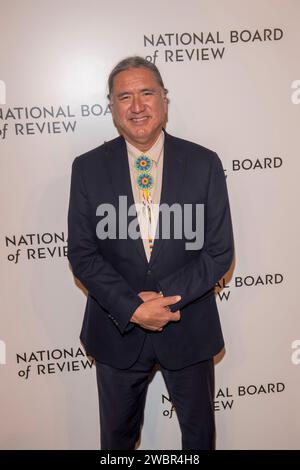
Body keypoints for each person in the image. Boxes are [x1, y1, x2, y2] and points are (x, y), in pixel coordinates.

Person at [67, 56, 234, 450]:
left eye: (147, 93)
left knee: (199, 441)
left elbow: (219, 251)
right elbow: (83, 253)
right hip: (116, 330)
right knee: (117, 443)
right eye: (124, 96)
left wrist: (160, 301)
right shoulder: (87, 168)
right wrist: (131, 306)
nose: (137, 106)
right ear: (111, 107)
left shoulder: (204, 163)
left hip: (188, 326)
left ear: (164, 100)